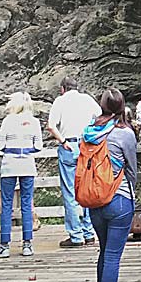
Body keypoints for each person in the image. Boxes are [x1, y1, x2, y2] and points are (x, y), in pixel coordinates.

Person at [85, 88, 137, 282]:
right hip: (119, 197)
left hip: (95, 198)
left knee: (104, 250)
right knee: (113, 255)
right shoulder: (125, 134)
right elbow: (132, 168)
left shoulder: (89, 131)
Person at [46, 76, 101, 247]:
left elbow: (51, 126)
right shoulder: (87, 100)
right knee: (85, 189)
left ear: (63, 88)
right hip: (86, 146)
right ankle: (89, 232)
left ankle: (76, 236)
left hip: (69, 145)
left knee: (70, 192)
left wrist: (63, 141)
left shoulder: (60, 102)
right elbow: (100, 117)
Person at [0, 92, 41, 258]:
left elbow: (0, 145)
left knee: (7, 204)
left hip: (9, 166)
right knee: (26, 204)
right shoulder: (34, 122)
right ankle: (27, 244)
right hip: (27, 165)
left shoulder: (8, 121)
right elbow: (39, 146)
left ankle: (4, 245)